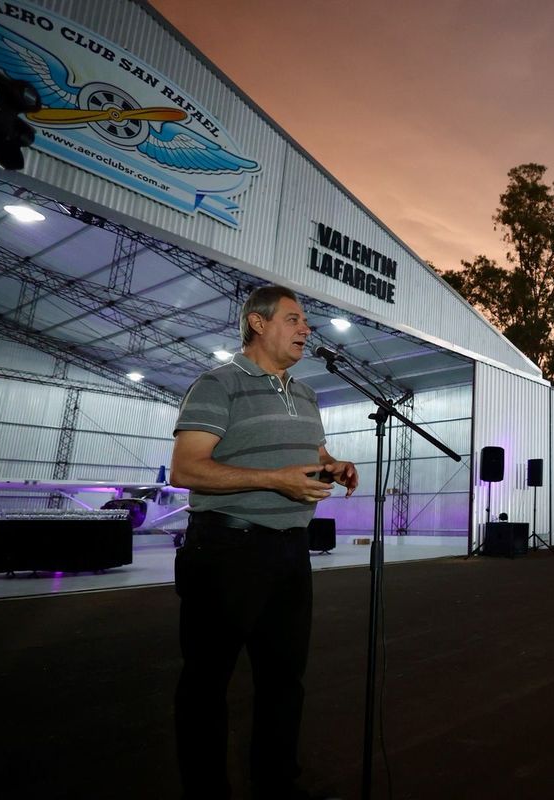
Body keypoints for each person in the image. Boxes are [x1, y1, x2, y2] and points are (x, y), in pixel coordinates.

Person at [170, 285, 358, 800]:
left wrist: (334, 464)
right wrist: (275, 479)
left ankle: (277, 783)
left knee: (283, 680)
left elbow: (312, 450)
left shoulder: (306, 393)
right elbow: (187, 469)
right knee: (207, 685)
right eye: (295, 320)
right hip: (227, 551)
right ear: (258, 323)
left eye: (306, 322)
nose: (306, 330)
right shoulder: (218, 384)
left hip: (290, 552)